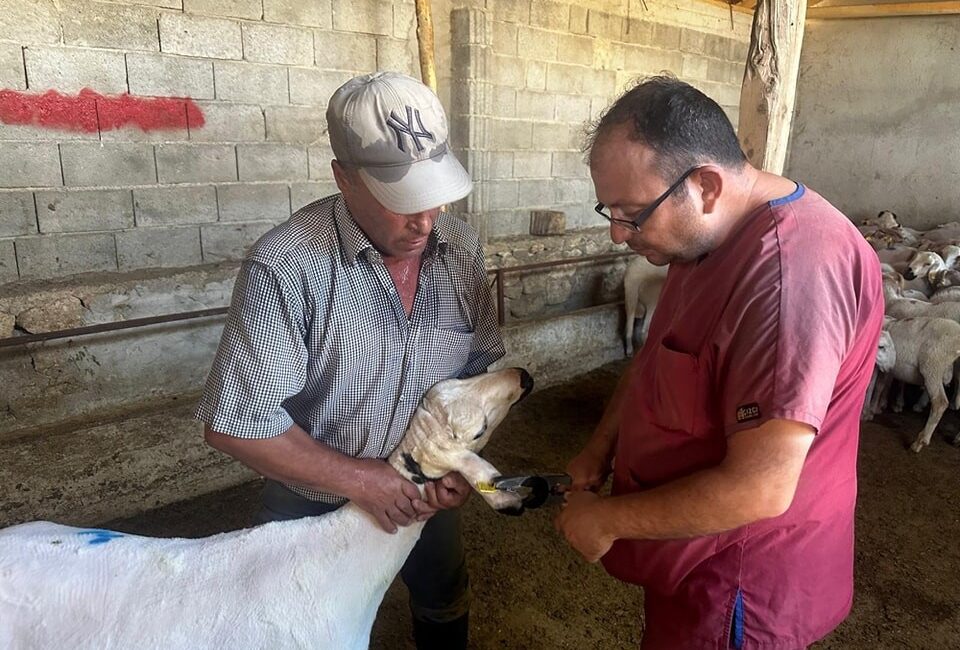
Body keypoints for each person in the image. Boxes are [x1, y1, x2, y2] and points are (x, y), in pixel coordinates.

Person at [555, 75, 883, 649]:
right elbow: (657, 359)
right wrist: (597, 450)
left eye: (632, 213)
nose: (616, 234)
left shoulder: (787, 279)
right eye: (610, 211)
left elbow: (760, 489)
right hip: (688, 551)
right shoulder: (701, 236)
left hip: (739, 580)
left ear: (704, 185)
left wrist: (606, 519)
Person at [196, 71, 505, 650]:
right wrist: (363, 479)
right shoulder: (286, 267)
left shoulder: (460, 250)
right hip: (310, 500)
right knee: (300, 625)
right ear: (344, 177)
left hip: (427, 487)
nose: (425, 220)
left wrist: (458, 464)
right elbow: (234, 425)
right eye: (402, 200)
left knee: (443, 597)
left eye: (433, 193)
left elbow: (477, 379)